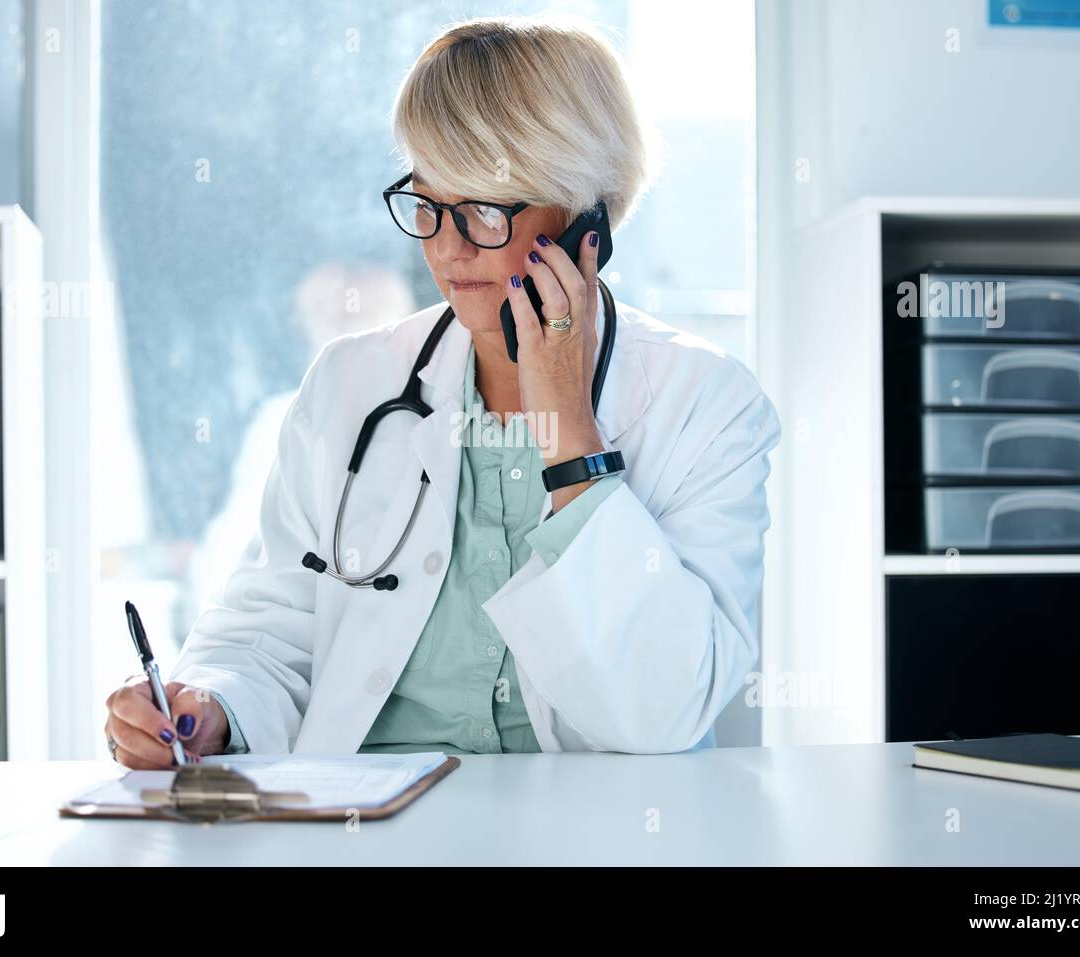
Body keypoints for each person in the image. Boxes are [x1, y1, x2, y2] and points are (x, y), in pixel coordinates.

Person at [104, 13, 780, 767]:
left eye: (485, 210)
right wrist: (212, 703)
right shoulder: (348, 387)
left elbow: (664, 711)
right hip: (368, 822)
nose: (446, 248)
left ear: (587, 223)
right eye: (427, 205)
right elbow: (271, 627)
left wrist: (569, 436)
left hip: (597, 828)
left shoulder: (710, 405)